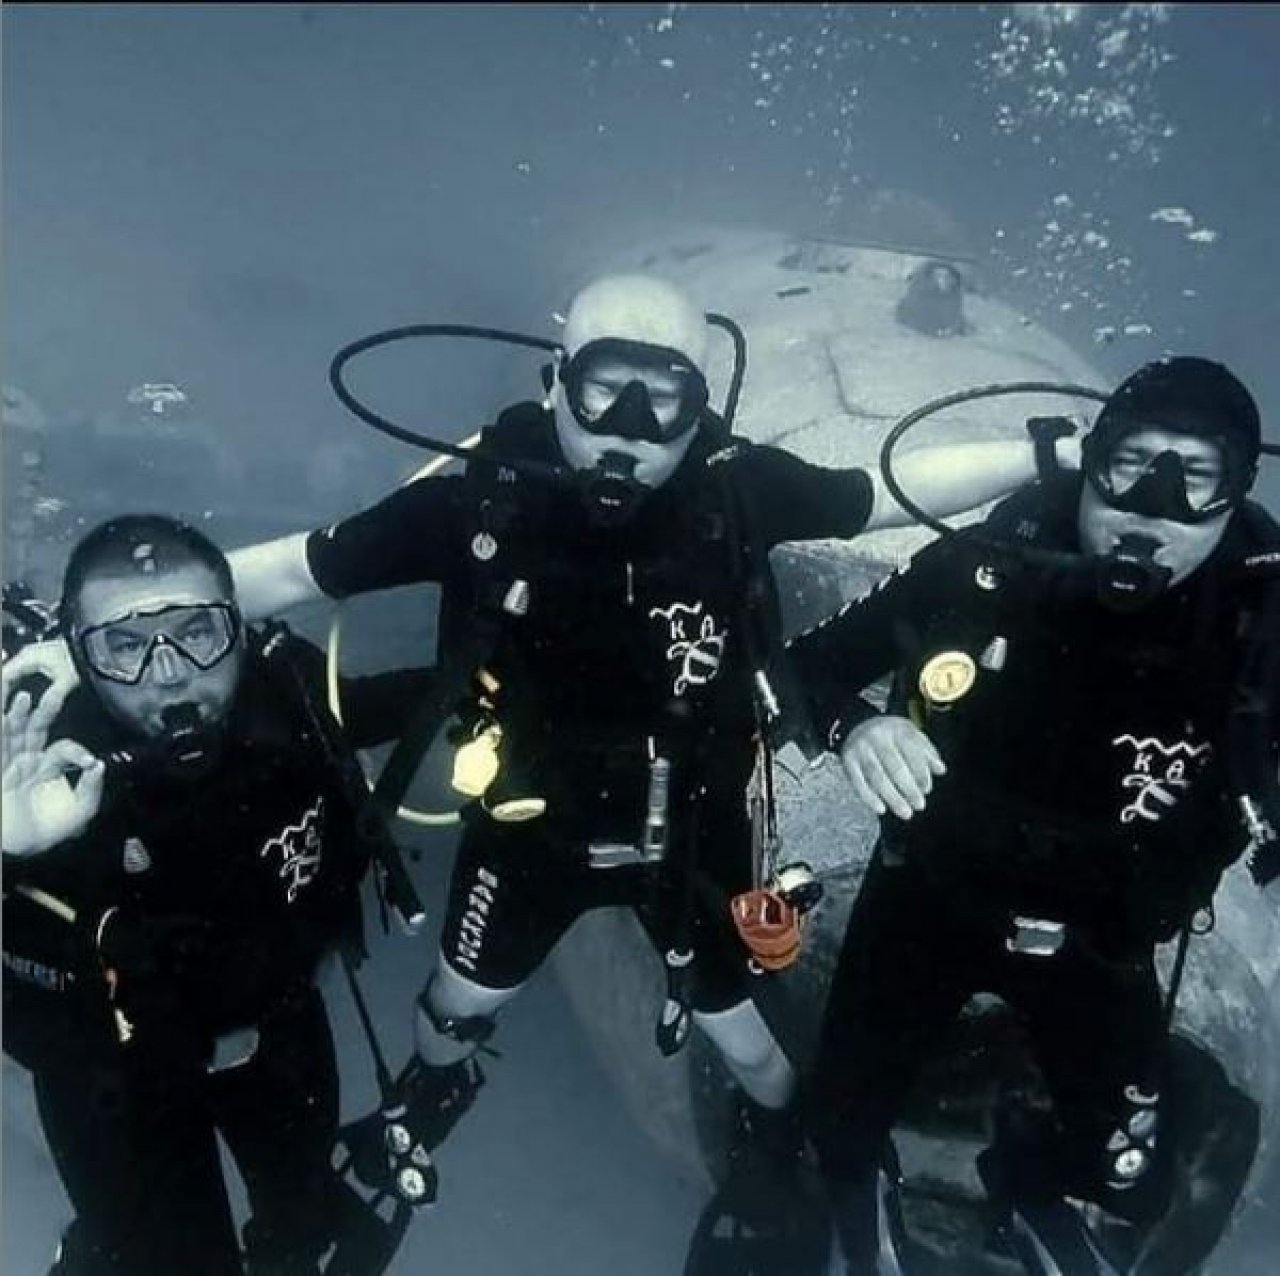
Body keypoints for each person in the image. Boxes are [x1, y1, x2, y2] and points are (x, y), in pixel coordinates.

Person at [6, 273, 1076, 1269]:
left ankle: (782, 1144)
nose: (628, 429)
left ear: (699, 408)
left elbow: (883, 489)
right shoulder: (477, 503)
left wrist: (1049, 454)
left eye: (663, 399)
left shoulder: (737, 492)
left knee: (746, 1042)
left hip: (695, 829)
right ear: (555, 382)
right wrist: (90, 633)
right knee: (450, 1008)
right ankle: (431, 1094)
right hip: (529, 830)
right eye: (605, 389)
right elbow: (301, 565)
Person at [785, 356, 1280, 1274]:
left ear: (1236, 496)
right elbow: (803, 669)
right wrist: (859, 726)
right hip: (930, 899)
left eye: (1196, 477)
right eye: (1130, 465)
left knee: (1125, 1176)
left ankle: (1028, 1183)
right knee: (837, 1122)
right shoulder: (982, 569)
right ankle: (863, 1179)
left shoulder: (1259, 629)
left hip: (1101, 937)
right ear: (1089, 463)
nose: (1153, 505)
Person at [2, 514, 432, 1275]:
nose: (169, 673)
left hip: (276, 1025)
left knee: (304, 1227)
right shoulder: (35, 764)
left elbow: (389, 703)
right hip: (112, 1079)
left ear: (238, 628)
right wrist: (13, 852)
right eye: (126, 646)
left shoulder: (287, 694)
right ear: (78, 656)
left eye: (196, 633)